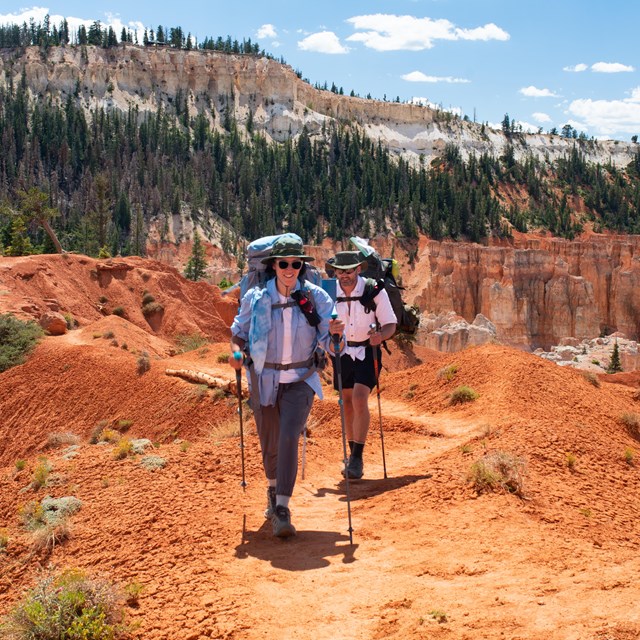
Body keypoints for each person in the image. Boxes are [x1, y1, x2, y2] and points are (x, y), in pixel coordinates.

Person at [229, 236, 337, 538]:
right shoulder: (256, 299)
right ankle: (273, 489)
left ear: (302, 266)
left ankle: (282, 507)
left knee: (289, 436)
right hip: (264, 380)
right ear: (274, 266)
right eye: (284, 263)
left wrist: (337, 337)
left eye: (296, 264)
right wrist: (236, 353)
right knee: (270, 444)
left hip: (301, 381)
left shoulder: (316, 299)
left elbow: (330, 342)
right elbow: (238, 332)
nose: (290, 269)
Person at [326, 251, 397, 480]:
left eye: (349, 270)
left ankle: (357, 457)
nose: (344, 276)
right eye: (340, 271)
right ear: (334, 271)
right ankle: (352, 453)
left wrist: (381, 337)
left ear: (358, 269)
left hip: (368, 350)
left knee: (358, 398)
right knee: (346, 402)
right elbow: (319, 322)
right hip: (342, 351)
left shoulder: (373, 290)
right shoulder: (329, 293)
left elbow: (390, 324)